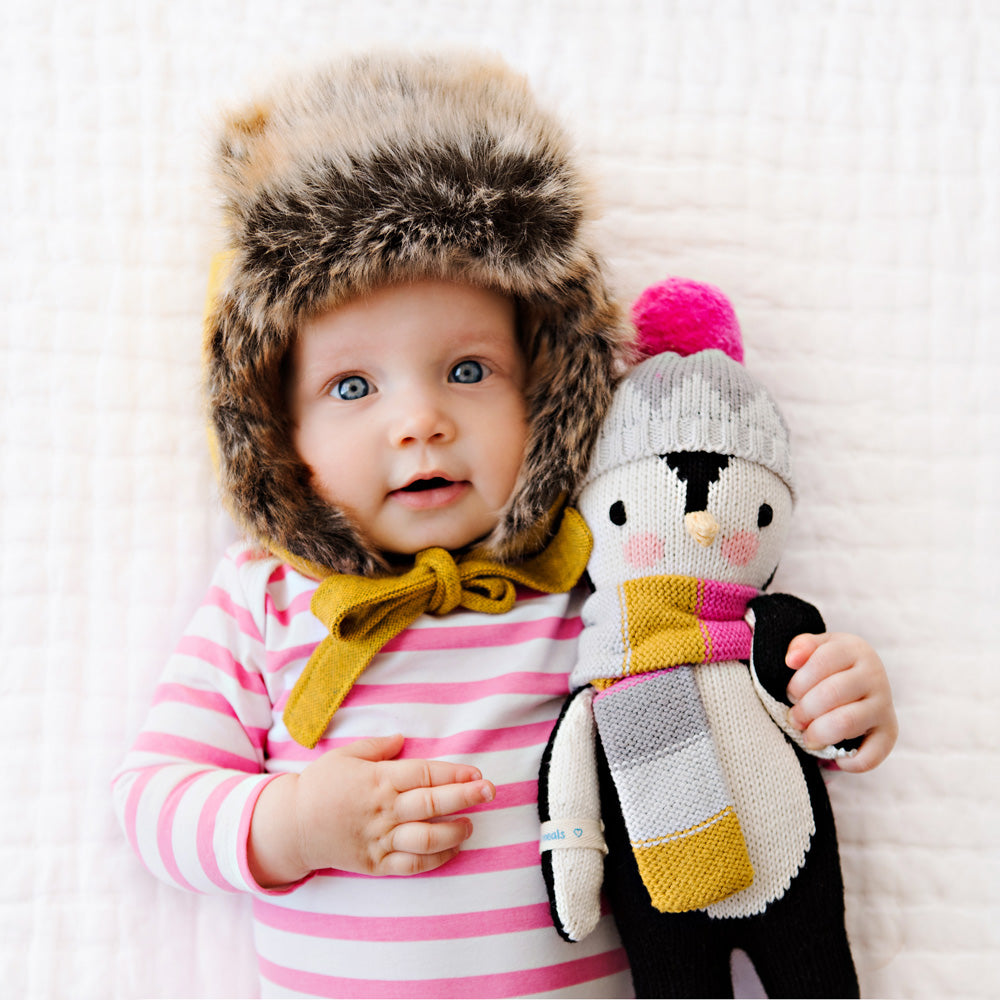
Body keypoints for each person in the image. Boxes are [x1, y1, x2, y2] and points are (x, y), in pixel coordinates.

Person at [113, 51, 898, 999]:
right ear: (274, 429)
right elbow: (152, 799)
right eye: (353, 386)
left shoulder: (590, 577)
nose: (421, 421)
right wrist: (288, 824)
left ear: (550, 389)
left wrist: (827, 700)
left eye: (469, 369)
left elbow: (729, 708)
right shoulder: (266, 600)